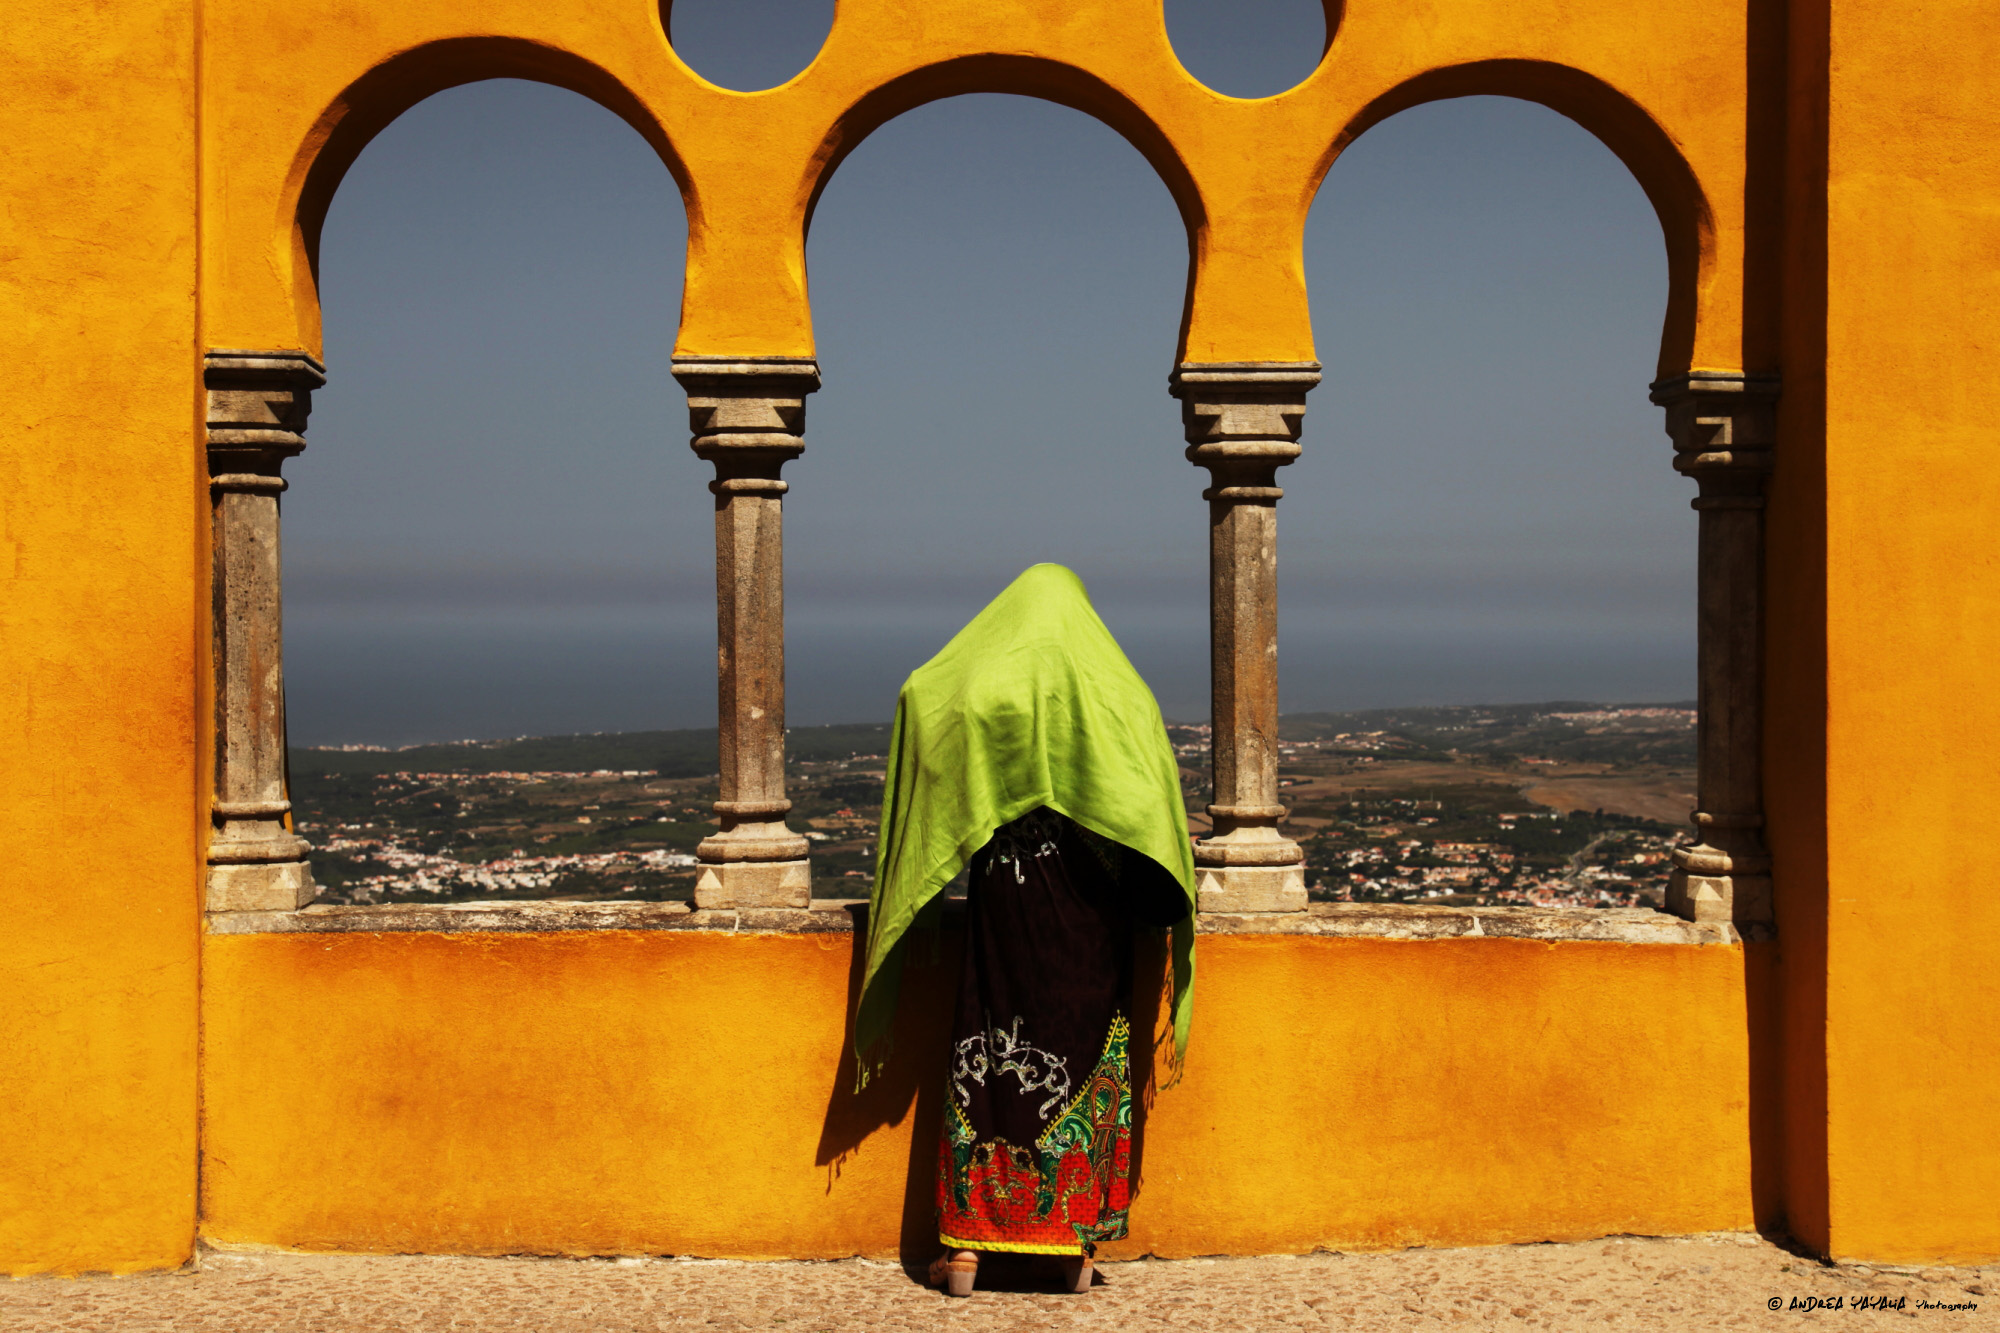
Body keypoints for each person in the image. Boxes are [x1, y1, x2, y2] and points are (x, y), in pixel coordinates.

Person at [853, 564, 1196, 1298]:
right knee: (1083, 1059)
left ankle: (968, 1255)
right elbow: (1152, 811)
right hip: (1088, 928)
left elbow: (924, 692)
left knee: (987, 1057)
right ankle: (1072, 1252)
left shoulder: (986, 693)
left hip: (1002, 920)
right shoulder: (1117, 697)